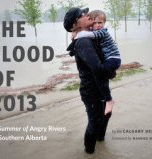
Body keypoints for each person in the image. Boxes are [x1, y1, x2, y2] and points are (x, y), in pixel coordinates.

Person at [63, 7, 115, 154]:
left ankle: (101, 142)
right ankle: (89, 152)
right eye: (82, 14)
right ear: (75, 24)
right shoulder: (83, 42)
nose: (87, 15)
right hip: (91, 90)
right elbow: (97, 68)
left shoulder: (89, 35)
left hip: (100, 86)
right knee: (95, 122)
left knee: (106, 114)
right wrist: (111, 72)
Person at [74, 10, 121, 76]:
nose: (97, 25)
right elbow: (88, 32)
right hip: (108, 58)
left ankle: (111, 74)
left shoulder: (103, 31)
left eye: (100, 23)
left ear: (104, 23)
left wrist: (78, 35)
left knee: (102, 72)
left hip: (113, 58)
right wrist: (75, 32)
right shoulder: (92, 31)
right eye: (94, 23)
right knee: (104, 72)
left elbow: (91, 34)